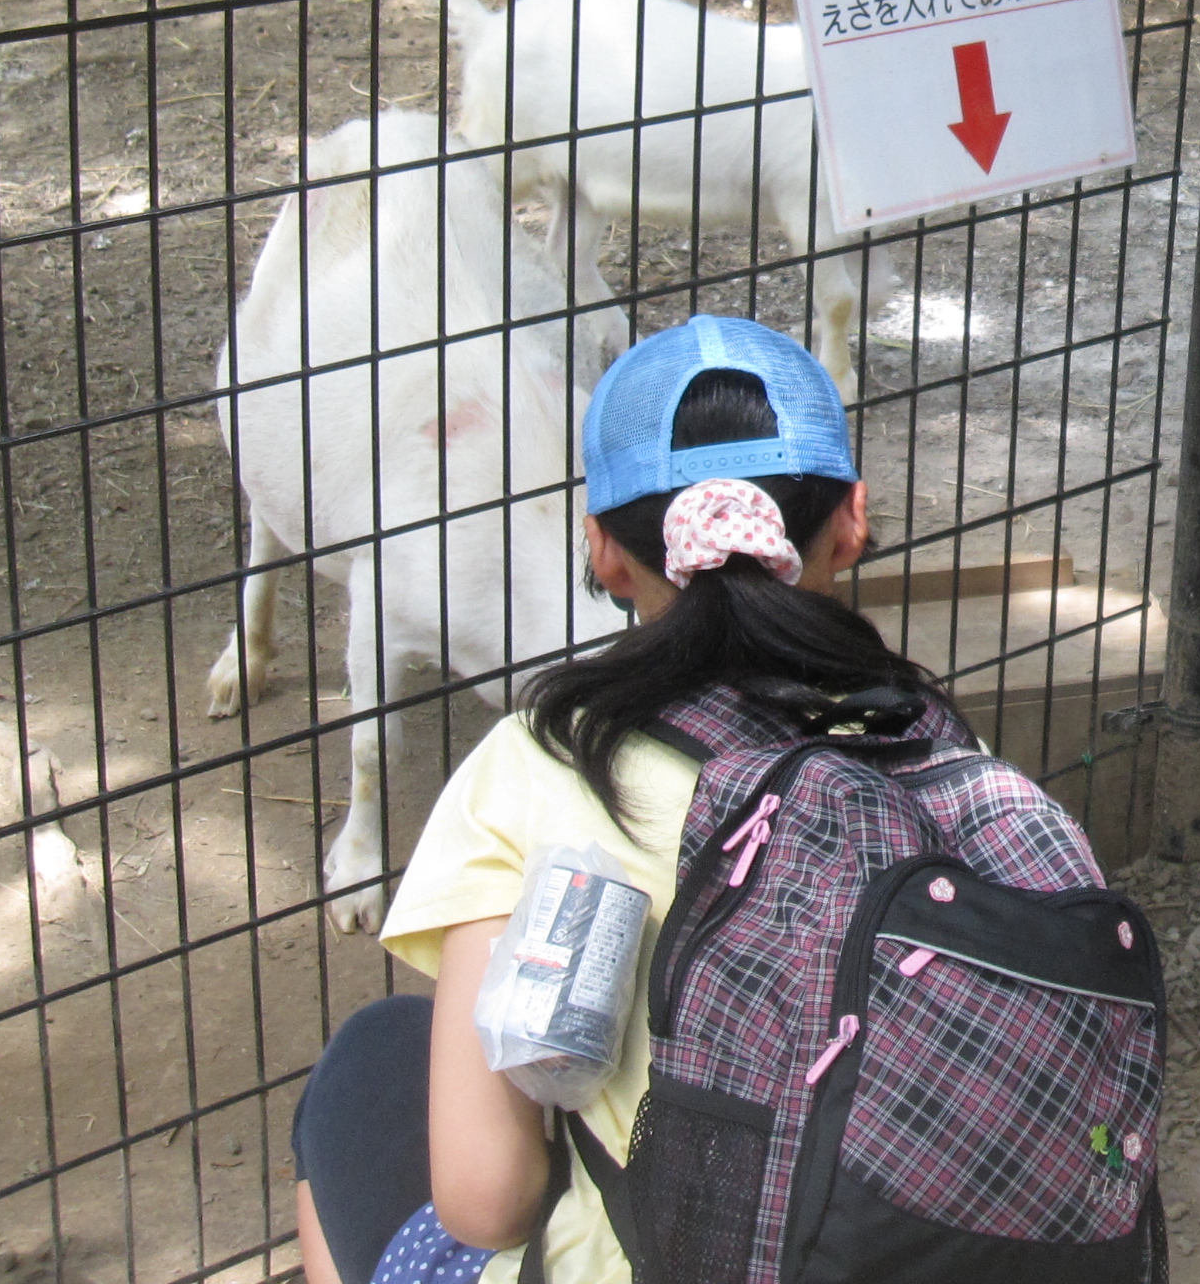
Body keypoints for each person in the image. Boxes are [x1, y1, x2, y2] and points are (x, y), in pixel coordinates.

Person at [288, 313, 947, 1284]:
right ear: (850, 522)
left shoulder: (541, 765)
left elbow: (487, 1198)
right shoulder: (944, 752)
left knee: (362, 1065)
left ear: (601, 550)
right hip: (914, 1249)